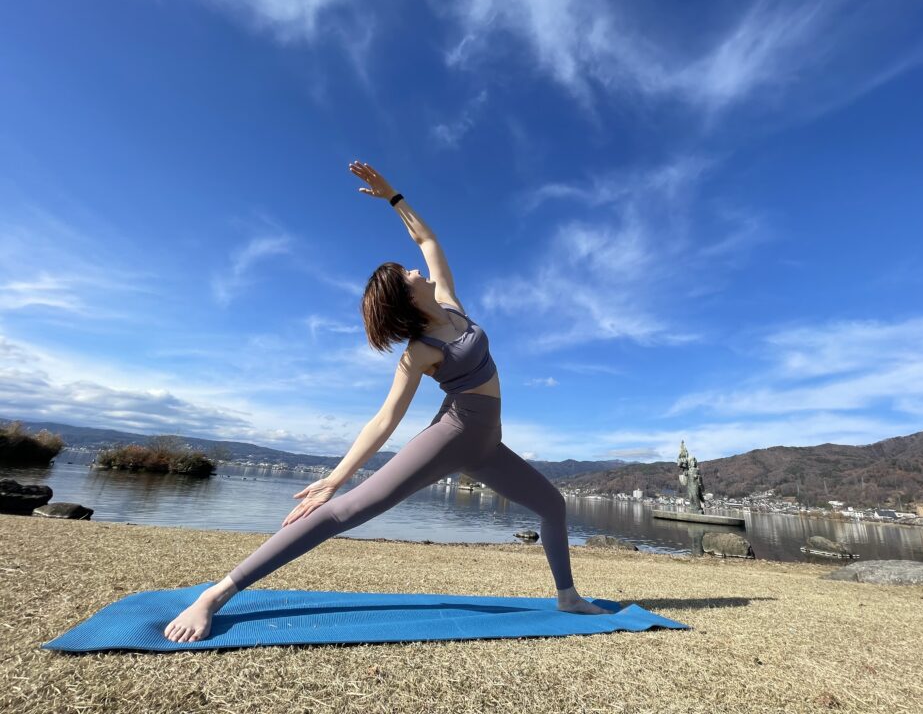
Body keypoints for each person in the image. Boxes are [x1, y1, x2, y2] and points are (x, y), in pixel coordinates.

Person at [164, 160, 611, 643]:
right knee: (345, 512)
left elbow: (428, 240)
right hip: (454, 436)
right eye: (407, 273)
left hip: (488, 447)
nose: (416, 269)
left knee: (553, 505)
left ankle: (567, 596)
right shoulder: (420, 351)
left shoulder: (452, 307)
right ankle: (215, 595)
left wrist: (394, 197)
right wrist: (334, 479)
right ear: (405, 295)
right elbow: (385, 419)